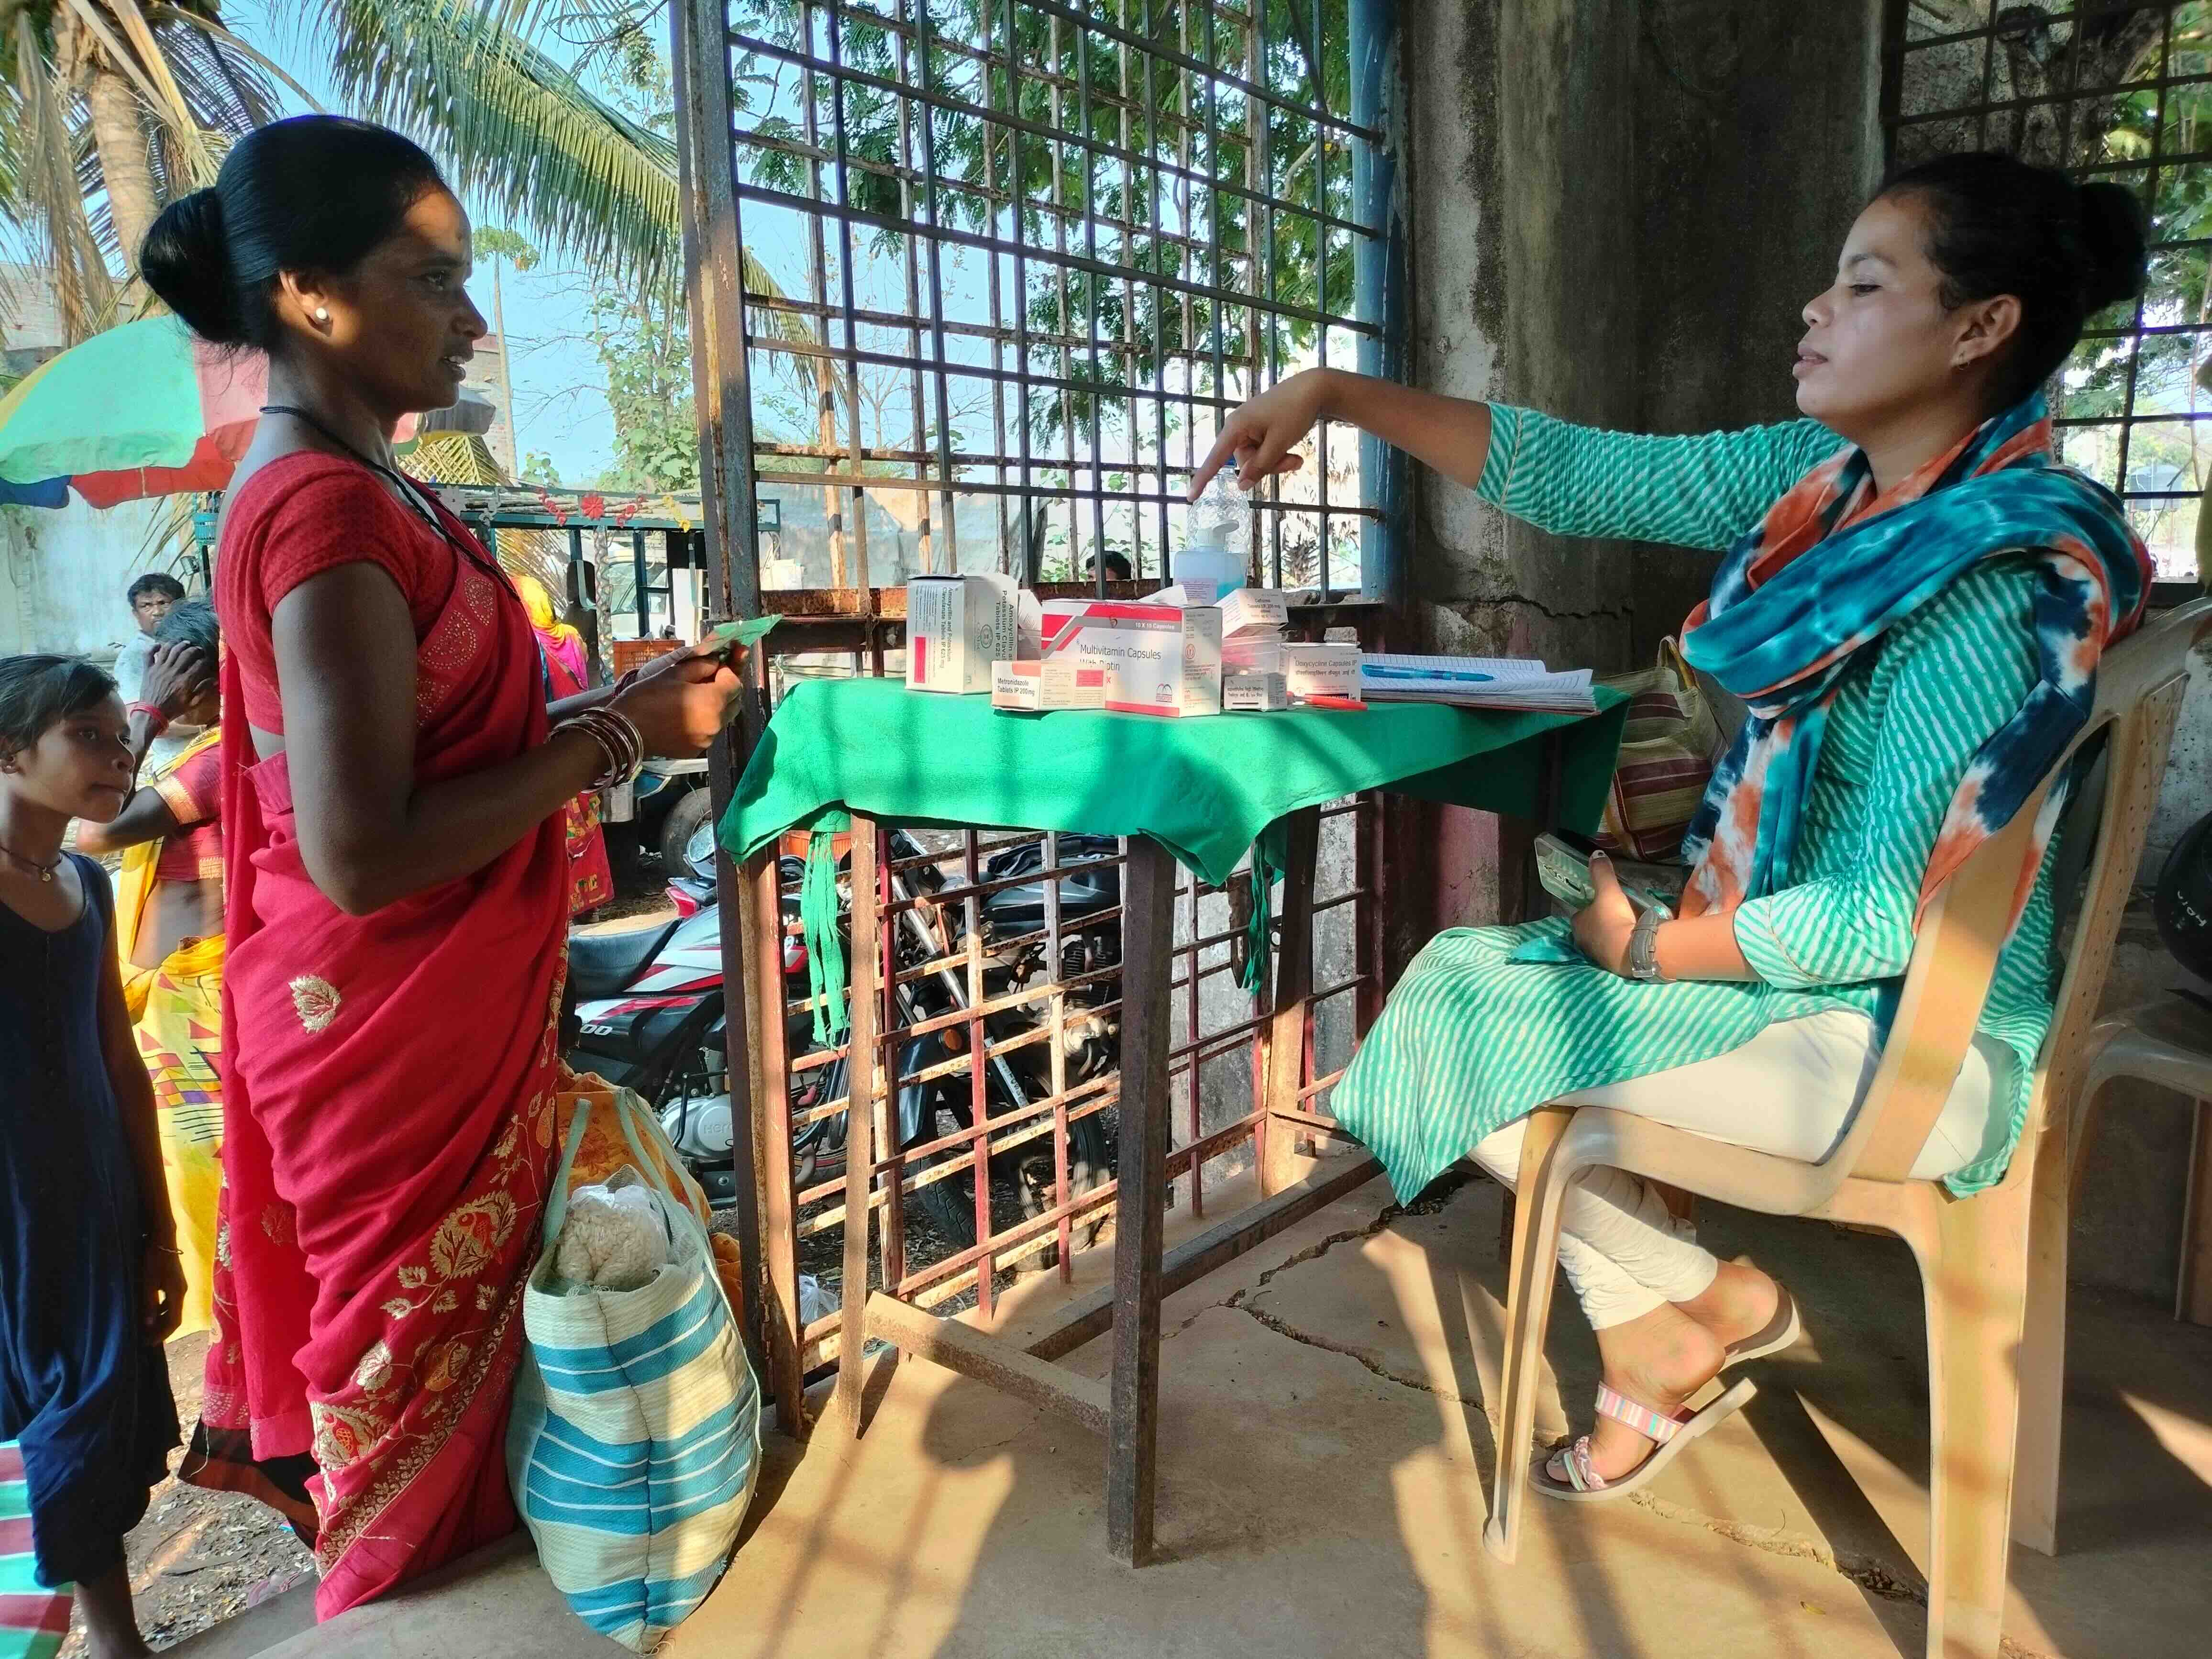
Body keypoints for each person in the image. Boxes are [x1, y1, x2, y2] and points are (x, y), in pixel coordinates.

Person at [1192, 151, 2151, 1498]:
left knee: (1455, 1012)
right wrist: (1337, 395)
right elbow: (1584, 476)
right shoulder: (1826, 482)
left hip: (1917, 1026)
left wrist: (1646, 950)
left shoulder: (1989, 578)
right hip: (1797, 966)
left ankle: (1679, 1314)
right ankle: (1681, 1315)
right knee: (1475, 988)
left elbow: (1888, 912)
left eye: (1865, 284)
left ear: (1983, 327)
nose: (1815, 310)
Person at [138, 114, 741, 1618]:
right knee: (419, 1450)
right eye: (437, 279)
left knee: (473, 1415)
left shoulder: (361, 480)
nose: (474, 318)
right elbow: (359, 850)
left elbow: (439, 744)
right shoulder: (326, 506)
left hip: (422, 1016)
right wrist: (617, 746)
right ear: (313, 298)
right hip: (379, 1027)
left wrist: (612, 705)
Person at [0, 654, 186, 1659]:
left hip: (94, 1202)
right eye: (89, 737)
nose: (119, 757)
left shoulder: (83, 884)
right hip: (14, 1212)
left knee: (93, 1417)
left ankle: (117, 1639)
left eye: (123, 738)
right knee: (57, 1416)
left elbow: (120, 1059)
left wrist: (159, 1232)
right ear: (7, 749)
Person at [75, 601, 227, 1340]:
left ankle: (221, 1315)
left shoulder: (218, 758)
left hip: (204, 995)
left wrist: (146, 714)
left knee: (195, 1157)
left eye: (161, 662)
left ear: (193, 674)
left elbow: (96, 827)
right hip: (195, 986)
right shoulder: (227, 750)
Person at [512, 575, 612, 916]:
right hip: (583, 736)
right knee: (588, 825)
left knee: (559, 834)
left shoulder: (530, 644)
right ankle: (592, 904)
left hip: (552, 745)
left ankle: (565, 907)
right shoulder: (572, 637)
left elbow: (538, 699)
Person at [111, 574, 199, 775]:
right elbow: (139, 721)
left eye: (163, 603)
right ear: (136, 613)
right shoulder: (134, 657)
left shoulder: (195, 640)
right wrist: (207, 726)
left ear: (180, 605)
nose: (157, 612)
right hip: (176, 764)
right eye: (146, 606)